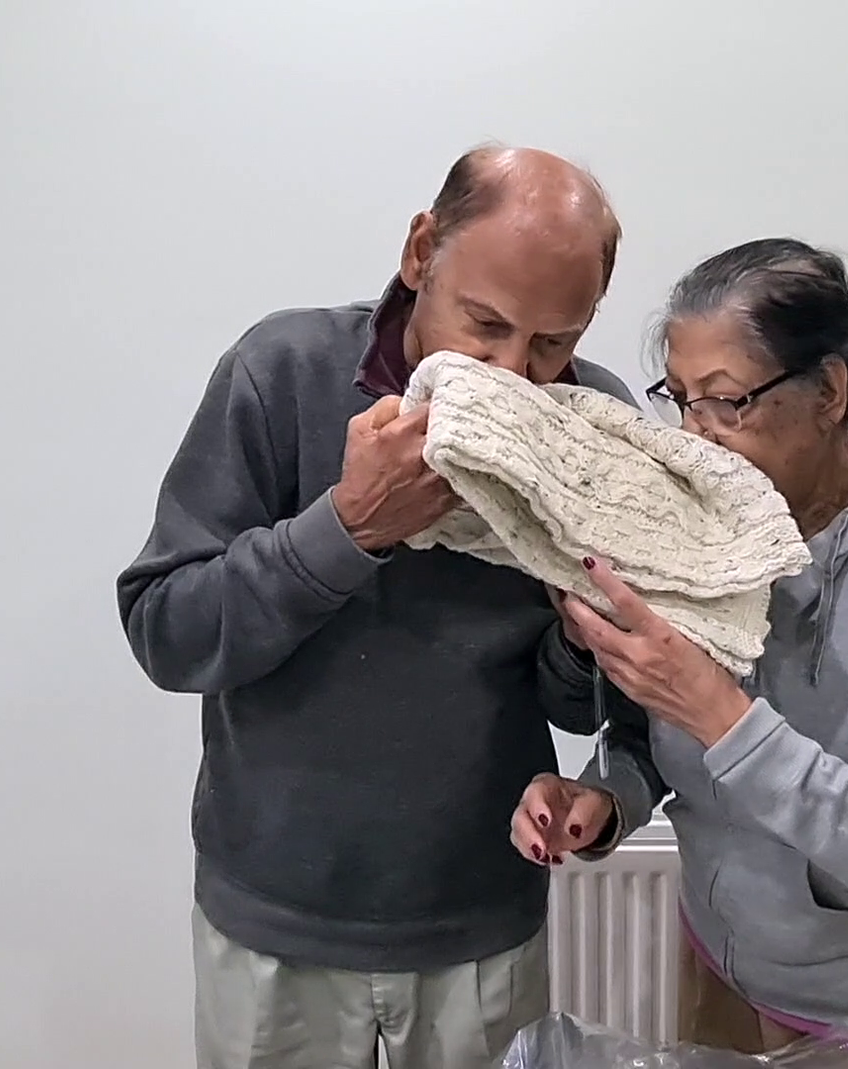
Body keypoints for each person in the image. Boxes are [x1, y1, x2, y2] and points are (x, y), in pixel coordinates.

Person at [118, 145, 636, 1069]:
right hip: (275, 916)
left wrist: (581, 621)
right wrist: (348, 528)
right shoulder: (280, 370)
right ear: (419, 251)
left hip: (481, 911)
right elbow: (169, 632)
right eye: (485, 323)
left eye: (553, 342)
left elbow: (576, 704)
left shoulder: (591, 419)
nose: (513, 372)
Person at [511, 238, 848, 1069]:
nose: (696, 439)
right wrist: (606, 794)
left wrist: (720, 711)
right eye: (681, 400)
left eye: (727, 402)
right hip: (730, 961)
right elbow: (664, 730)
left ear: (830, 391)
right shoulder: (703, 518)